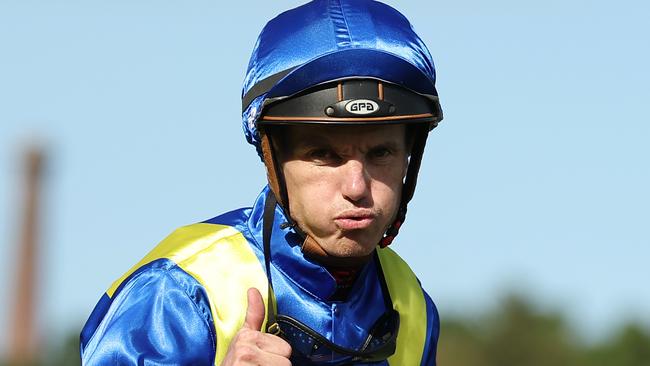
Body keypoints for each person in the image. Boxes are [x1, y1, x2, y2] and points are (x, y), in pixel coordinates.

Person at [80, 0, 443, 364]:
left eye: (380, 154)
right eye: (324, 155)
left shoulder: (411, 303)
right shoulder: (177, 290)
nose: (356, 187)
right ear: (272, 158)